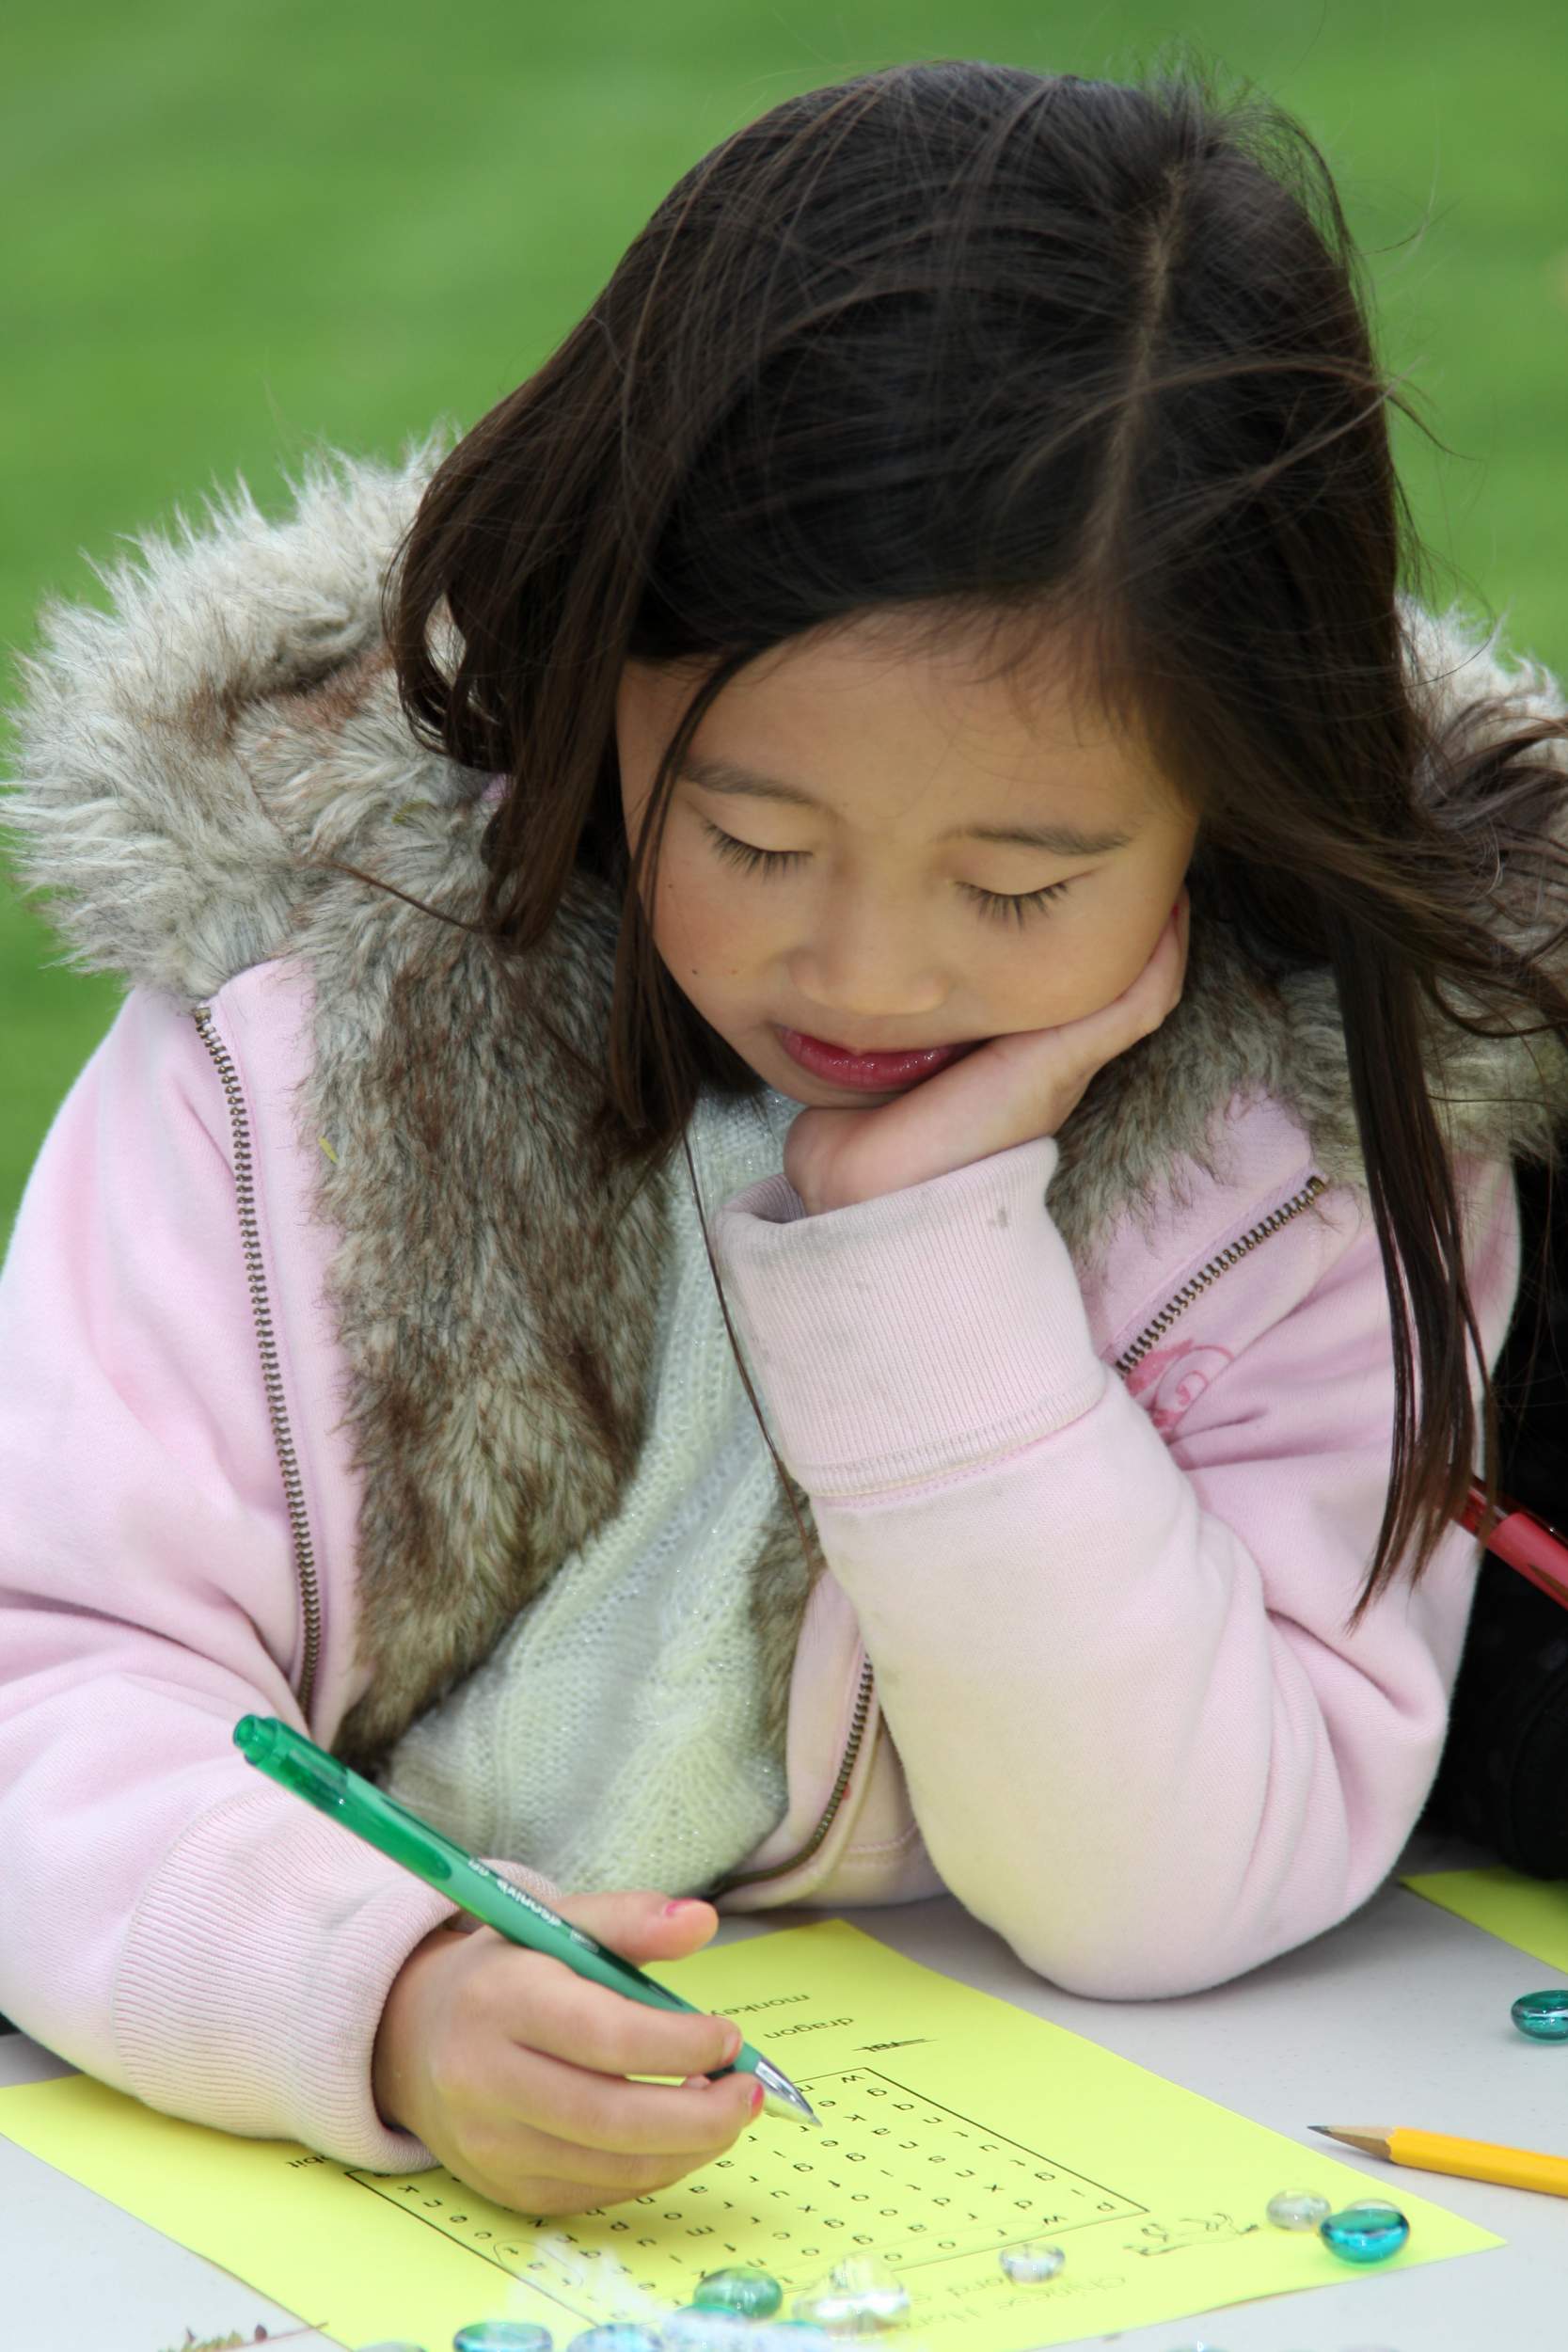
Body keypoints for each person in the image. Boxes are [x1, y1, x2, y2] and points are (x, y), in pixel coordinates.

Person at [4, 54, 1568, 2226]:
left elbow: (1187, 1877)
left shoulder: (1319, 1136)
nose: (871, 967)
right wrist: (379, 1988)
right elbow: (47, 1678)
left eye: (1019, 885)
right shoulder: (310, 1016)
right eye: (752, 836)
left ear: (1236, 800)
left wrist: (923, 1264)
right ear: (596, 663)